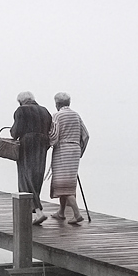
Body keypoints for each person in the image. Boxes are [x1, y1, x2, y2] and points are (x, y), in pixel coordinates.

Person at [47, 92, 89, 224]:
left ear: (57, 104)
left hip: (62, 150)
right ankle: (61, 212)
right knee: (68, 181)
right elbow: (86, 135)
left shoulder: (57, 116)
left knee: (62, 183)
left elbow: (54, 135)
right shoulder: (76, 115)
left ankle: (77, 214)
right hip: (75, 150)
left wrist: (48, 143)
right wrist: (80, 150)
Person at [11, 91, 52, 224]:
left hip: (27, 143)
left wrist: (13, 133)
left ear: (21, 101)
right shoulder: (45, 111)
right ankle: (30, 209)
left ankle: (38, 211)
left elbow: (16, 131)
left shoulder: (21, 110)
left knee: (25, 176)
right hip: (42, 144)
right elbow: (50, 128)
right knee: (36, 176)